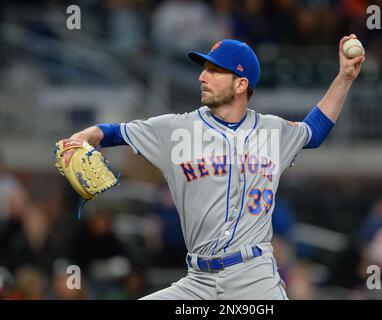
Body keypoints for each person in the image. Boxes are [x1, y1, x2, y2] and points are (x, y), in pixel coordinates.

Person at [60, 36, 364, 300]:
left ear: (241, 83)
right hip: (198, 281)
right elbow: (112, 131)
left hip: (253, 277)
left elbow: (315, 131)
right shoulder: (176, 130)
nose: (202, 77)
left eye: (215, 70)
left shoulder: (273, 131)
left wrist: (345, 77)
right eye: (204, 69)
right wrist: (82, 137)